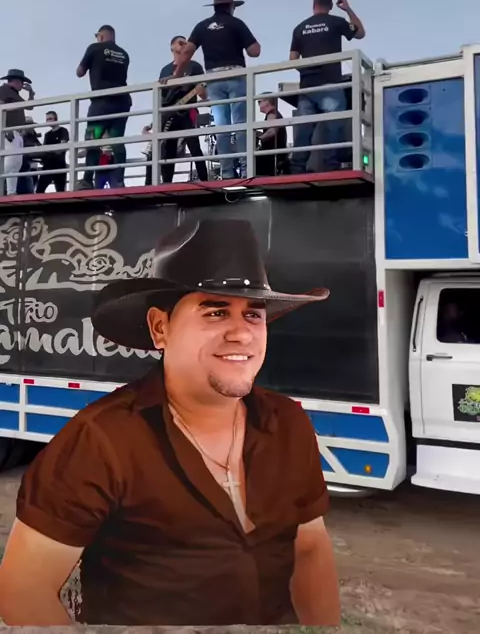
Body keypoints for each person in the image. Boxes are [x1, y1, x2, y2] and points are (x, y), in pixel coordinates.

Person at [0, 218, 340, 627]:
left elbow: (309, 548)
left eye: (253, 315)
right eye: (216, 312)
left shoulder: (288, 423)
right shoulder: (102, 439)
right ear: (160, 328)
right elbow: (23, 592)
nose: (242, 334)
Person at [173, 0, 261, 180]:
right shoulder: (236, 24)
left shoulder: (202, 26)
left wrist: (177, 75)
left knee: (221, 126)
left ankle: (226, 172)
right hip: (236, 75)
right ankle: (246, 170)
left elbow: (187, 51)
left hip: (213, 79)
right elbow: (255, 51)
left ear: (214, 7)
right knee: (241, 125)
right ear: (231, 6)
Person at [289, 0, 365, 173]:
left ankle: (297, 167)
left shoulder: (299, 28)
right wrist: (348, 10)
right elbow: (360, 33)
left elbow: (292, 59)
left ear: (313, 3)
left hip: (307, 87)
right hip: (330, 83)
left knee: (304, 130)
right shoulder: (336, 22)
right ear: (331, 5)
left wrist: (308, 70)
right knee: (334, 126)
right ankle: (331, 165)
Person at [76, 25, 131, 190]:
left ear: (100, 36)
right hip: (122, 101)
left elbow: (80, 72)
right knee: (117, 139)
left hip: (102, 101)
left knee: (93, 138)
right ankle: (119, 181)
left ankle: (87, 180)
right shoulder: (124, 54)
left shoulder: (95, 48)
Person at [158, 35, 209, 185]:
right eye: (180, 43)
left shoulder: (194, 66)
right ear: (172, 47)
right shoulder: (165, 70)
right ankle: (167, 184)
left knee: (194, 147)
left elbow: (204, 93)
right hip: (169, 113)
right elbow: (162, 96)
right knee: (169, 150)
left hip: (188, 111)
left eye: (186, 43)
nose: (184, 45)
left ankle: (205, 181)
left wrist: (201, 91)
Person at [0, 69, 35, 196]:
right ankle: (9, 191)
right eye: (21, 82)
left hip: (16, 132)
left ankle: (11, 191)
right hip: (8, 130)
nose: (22, 85)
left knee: (15, 163)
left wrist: (31, 93)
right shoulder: (4, 90)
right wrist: (4, 127)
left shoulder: (14, 94)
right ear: (16, 81)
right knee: (11, 161)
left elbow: (30, 106)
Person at [256, 94, 289, 176]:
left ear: (267, 101)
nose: (258, 105)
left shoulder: (272, 114)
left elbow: (272, 131)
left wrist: (259, 138)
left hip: (272, 156)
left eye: (259, 102)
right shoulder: (275, 114)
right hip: (276, 155)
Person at [36, 111, 69, 193]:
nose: (48, 121)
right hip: (48, 166)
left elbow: (62, 148)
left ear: (56, 119)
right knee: (39, 191)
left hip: (59, 165)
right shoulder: (47, 134)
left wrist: (50, 152)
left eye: (50, 119)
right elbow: (44, 150)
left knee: (60, 192)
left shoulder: (63, 130)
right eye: (47, 119)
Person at [17, 118, 42, 195]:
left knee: (29, 190)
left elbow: (40, 148)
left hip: (29, 167)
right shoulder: (19, 137)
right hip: (21, 168)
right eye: (30, 126)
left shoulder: (33, 137)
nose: (32, 128)